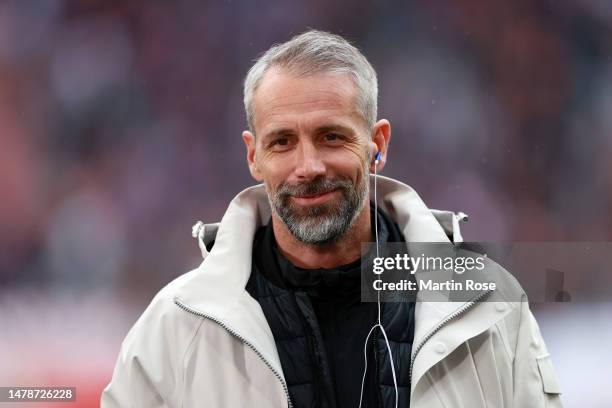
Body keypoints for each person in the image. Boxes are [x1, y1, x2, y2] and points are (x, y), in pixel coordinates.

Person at [102, 30, 562, 407]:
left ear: (377, 144)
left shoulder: (487, 303)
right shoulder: (176, 324)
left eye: (331, 136)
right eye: (282, 142)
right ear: (253, 156)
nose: (308, 167)